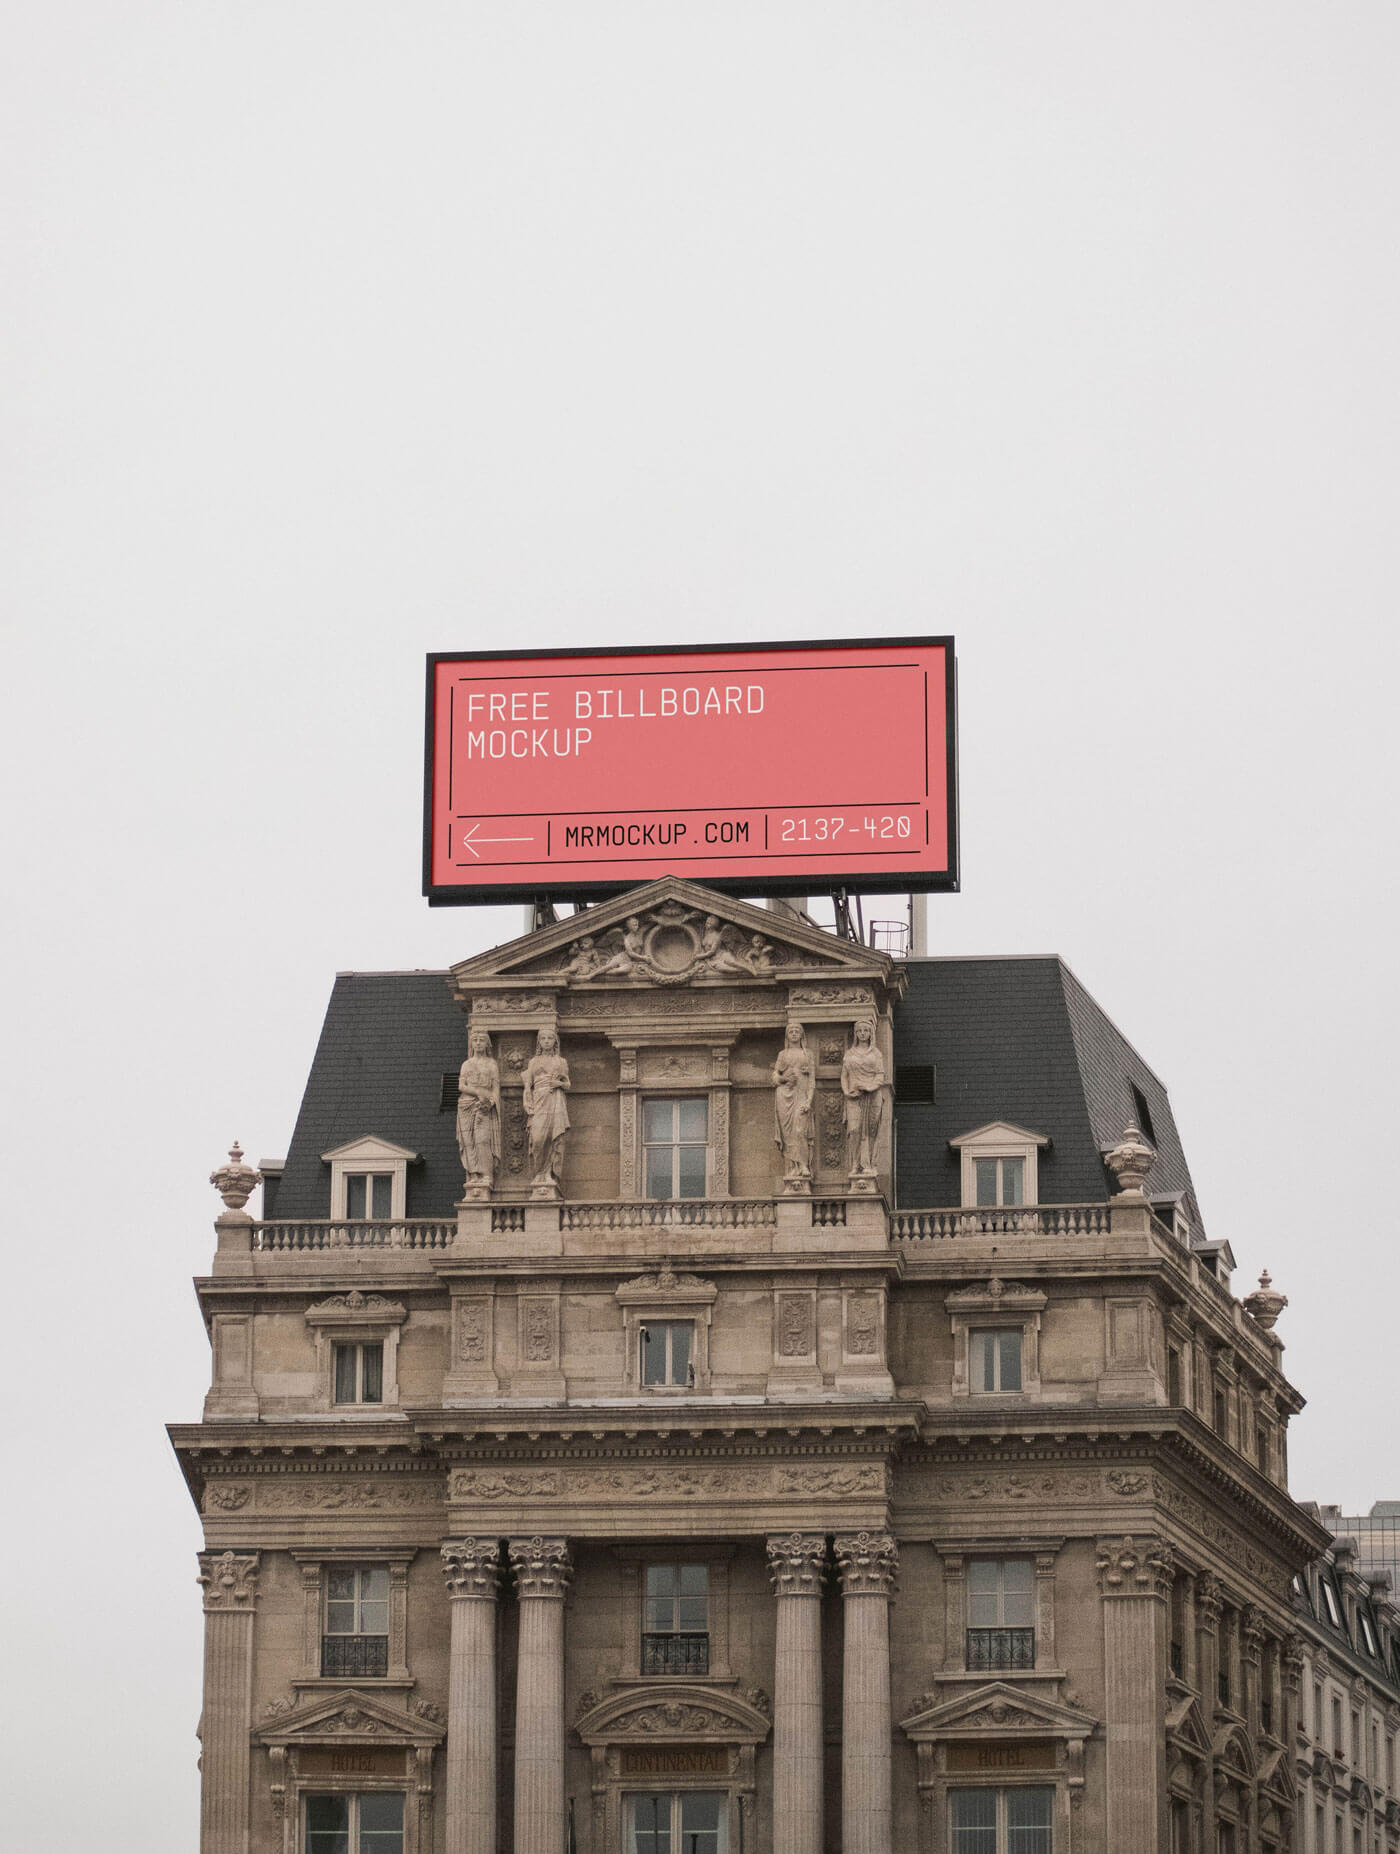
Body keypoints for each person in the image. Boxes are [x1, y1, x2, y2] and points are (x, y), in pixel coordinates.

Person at [523, 1026, 571, 1191]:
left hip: (555, 1099)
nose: (546, 1042)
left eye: (549, 1038)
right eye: (543, 1039)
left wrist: (558, 1084)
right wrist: (528, 1103)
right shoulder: (533, 1062)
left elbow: (568, 1084)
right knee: (537, 1139)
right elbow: (527, 1085)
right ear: (539, 1042)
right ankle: (538, 1172)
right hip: (538, 1100)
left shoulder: (561, 1062)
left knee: (553, 1136)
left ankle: (548, 1173)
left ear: (554, 1041)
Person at [455, 1027, 501, 1192]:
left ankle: (486, 1174)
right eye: (475, 1040)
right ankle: (474, 1174)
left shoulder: (492, 1064)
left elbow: (495, 1089)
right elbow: (461, 1086)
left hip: (484, 1107)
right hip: (466, 1105)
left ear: (487, 1043)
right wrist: (479, 1092)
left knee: (482, 1140)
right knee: (469, 1141)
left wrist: (491, 1103)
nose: (478, 1043)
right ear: (471, 1043)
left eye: (481, 1040)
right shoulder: (466, 1064)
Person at [841, 1016, 886, 1176]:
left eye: (866, 1030)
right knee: (854, 1130)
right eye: (859, 1030)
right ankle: (855, 1163)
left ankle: (868, 1164)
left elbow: (880, 1075)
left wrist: (869, 1087)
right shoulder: (849, 1053)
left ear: (871, 1033)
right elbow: (844, 1075)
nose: (862, 1033)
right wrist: (847, 1092)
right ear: (855, 1033)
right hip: (853, 1097)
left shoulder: (876, 1053)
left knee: (871, 1130)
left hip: (872, 1096)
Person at [772, 1022, 815, 1185]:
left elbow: (812, 1081)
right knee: (788, 1132)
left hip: (802, 1095)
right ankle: (793, 1167)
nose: (794, 1033)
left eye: (797, 1031)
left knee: (800, 1130)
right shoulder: (783, 1054)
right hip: (784, 1095)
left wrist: (809, 1101)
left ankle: (804, 1165)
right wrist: (784, 1078)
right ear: (787, 1035)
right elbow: (775, 1077)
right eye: (791, 1031)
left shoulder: (808, 1053)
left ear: (802, 1034)